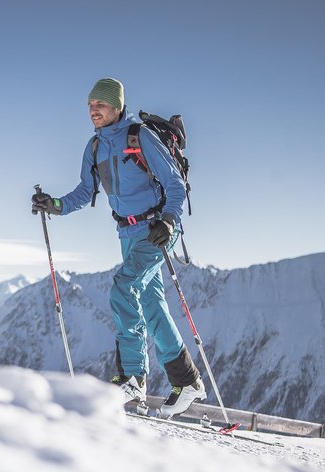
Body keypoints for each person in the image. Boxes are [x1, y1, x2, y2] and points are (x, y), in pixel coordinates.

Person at [32, 78, 205, 417]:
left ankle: (132, 377)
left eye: (99, 104)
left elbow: (174, 183)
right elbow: (85, 191)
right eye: (90, 105)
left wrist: (169, 221)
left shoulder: (140, 137)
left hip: (156, 229)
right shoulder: (95, 146)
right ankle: (187, 381)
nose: (93, 110)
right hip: (127, 233)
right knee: (151, 305)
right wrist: (54, 204)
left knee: (124, 287)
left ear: (116, 106)